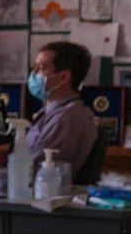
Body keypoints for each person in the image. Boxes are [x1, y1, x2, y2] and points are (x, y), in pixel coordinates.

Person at [26, 41, 98, 179]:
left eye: (41, 68)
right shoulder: (55, 112)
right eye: (34, 67)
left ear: (64, 77)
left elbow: (35, 171)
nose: (33, 73)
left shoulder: (67, 117)